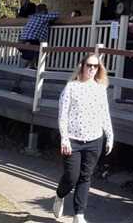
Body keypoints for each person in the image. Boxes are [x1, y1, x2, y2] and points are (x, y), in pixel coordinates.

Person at [53, 53, 113, 223]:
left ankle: (79, 214)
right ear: (82, 66)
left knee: (85, 176)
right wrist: (64, 138)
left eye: (96, 66)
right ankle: (60, 195)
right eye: (89, 65)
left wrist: (110, 135)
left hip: (94, 139)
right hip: (73, 139)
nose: (92, 69)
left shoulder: (100, 89)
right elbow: (62, 115)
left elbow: (104, 114)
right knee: (71, 176)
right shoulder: (71, 87)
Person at [12, 4, 59, 93]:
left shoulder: (32, 17)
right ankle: (15, 86)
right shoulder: (42, 17)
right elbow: (56, 15)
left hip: (24, 41)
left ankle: (29, 82)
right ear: (43, 11)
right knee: (23, 65)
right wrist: (48, 16)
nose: (47, 11)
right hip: (30, 42)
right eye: (46, 10)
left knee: (31, 63)